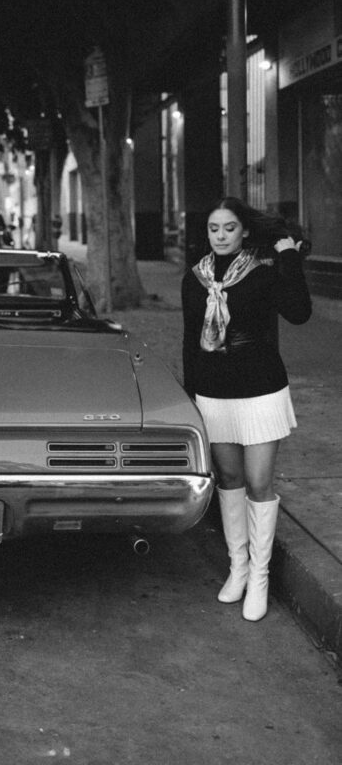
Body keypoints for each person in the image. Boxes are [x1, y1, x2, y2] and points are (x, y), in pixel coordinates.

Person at [182, 196, 311, 622]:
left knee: (258, 482)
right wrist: (190, 396)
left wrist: (288, 254)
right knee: (230, 478)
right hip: (214, 391)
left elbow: (300, 313)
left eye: (229, 228)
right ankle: (238, 568)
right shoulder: (195, 279)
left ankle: (260, 576)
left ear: (245, 231)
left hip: (260, 389)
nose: (220, 236)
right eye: (214, 229)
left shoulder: (262, 274)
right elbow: (189, 342)